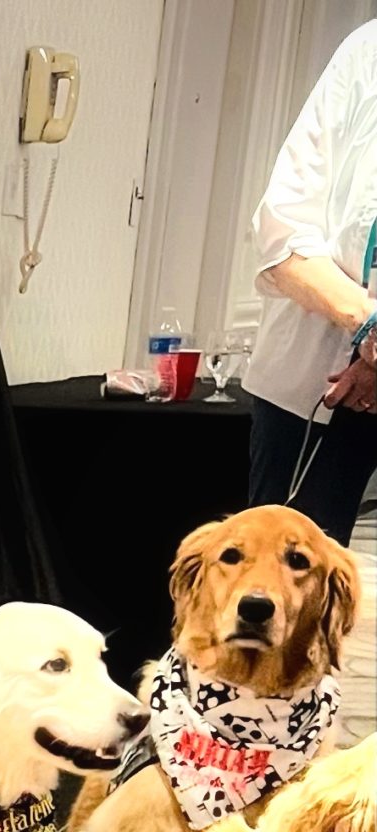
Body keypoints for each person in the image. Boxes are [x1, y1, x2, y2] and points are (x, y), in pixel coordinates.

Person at [249, 20, 377, 540]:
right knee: (279, 584)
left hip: (361, 368)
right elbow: (282, 230)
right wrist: (368, 327)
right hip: (316, 382)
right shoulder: (367, 54)